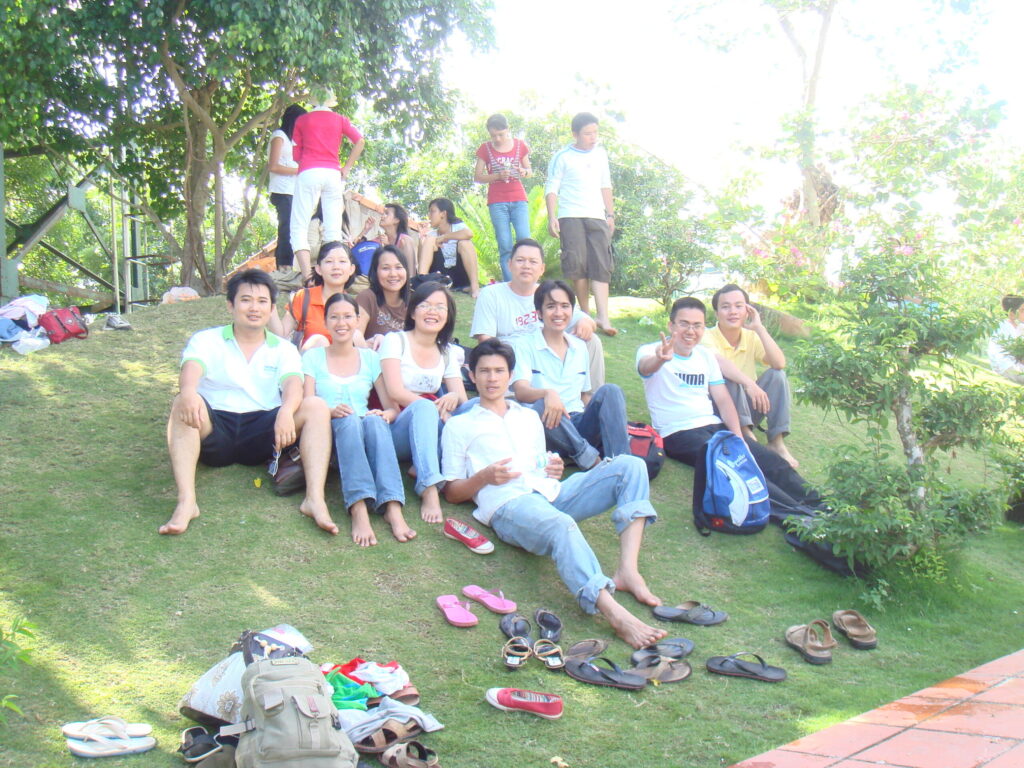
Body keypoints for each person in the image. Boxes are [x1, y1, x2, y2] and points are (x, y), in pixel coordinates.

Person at [442, 339, 667, 650]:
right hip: (509, 505)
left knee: (631, 466)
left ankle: (627, 570)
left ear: (510, 375)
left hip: (549, 492)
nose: (492, 378)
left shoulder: (527, 417)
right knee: (561, 525)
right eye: (484, 371)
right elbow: (452, 493)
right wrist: (484, 477)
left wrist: (553, 467)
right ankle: (615, 613)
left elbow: (539, 465)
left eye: (499, 371)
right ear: (472, 375)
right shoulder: (459, 426)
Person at [160, 269, 332, 535]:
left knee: (316, 406)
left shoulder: (283, 348)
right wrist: (188, 392)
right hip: (214, 425)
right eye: (246, 300)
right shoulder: (207, 339)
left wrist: (287, 411)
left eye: (262, 301)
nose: (254, 308)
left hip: (263, 430)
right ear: (231, 305)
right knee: (183, 400)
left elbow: (292, 384)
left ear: (271, 309)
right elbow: (192, 368)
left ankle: (315, 499)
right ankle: (187, 502)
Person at [636, 297, 819, 511]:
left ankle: (822, 506)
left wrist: (739, 438)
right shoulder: (651, 351)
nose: (690, 331)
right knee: (735, 466)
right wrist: (660, 359)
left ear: (703, 328)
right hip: (677, 432)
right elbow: (645, 368)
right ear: (671, 325)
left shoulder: (705, 356)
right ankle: (799, 517)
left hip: (713, 425)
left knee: (770, 461)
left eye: (697, 325)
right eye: (684, 324)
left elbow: (723, 400)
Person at [302, 293, 415, 545]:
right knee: (350, 420)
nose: (341, 323)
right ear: (326, 321)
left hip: (366, 432)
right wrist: (330, 411)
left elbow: (392, 409)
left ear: (356, 320)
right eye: (334, 317)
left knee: (374, 421)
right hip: (329, 436)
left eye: (347, 317)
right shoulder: (313, 358)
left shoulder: (371, 359)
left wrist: (384, 414)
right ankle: (359, 507)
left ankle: (392, 506)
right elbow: (308, 403)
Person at [511, 280, 629, 469]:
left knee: (611, 390)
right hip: (549, 429)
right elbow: (521, 391)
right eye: (551, 306)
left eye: (565, 306)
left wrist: (603, 418)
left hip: (577, 423)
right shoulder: (524, 345)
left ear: (572, 311)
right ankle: (591, 460)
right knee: (540, 406)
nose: (559, 313)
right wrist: (547, 393)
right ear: (539, 313)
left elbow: (584, 395)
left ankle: (623, 463)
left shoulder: (580, 347)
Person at [379, 282, 467, 523]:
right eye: (425, 305)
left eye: (440, 307)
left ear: (448, 315)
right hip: (396, 427)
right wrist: (435, 407)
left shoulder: (446, 351)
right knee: (424, 407)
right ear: (413, 312)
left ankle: (439, 465)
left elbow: (462, 399)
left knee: (473, 408)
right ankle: (429, 487)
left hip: (431, 422)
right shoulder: (395, 341)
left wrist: (452, 396)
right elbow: (395, 391)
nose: (432, 312)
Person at [471, 238, 606, 389]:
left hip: (546, 354)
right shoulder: (491, 294)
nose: (526, 266)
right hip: (512, 356)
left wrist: (585, 322)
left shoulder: (549, 293)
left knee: (592, 341)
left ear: (542, 269)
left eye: (533, 262)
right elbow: (485, 340)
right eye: (520, 260)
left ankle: (593, 396)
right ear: (509, 264)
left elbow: (585, 320)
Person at [703, 284, 798, 468]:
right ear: (716, 313)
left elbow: (779, 363)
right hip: (720, 410)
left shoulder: (751, 336)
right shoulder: (706, 335)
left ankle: (776, 442)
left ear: (747, 310)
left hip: (748, 407)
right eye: (725, 307)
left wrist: (760, 329)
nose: (733, 311)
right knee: (727, 376)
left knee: (777, 375)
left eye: (739, 306)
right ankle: (746, 437)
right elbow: (720, 362)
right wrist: (749, 383)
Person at [544, 112, 617, 336]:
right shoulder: (562, 157)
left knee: (601, 265)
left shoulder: (600, 155)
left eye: (595, 132)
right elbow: (552, 188)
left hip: (597, 216)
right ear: (575, 134)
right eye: (587, 133)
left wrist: (610, 214)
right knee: (577, 265)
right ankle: (585, 315)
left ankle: (604, 317)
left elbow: (605, 185)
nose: (593, 137)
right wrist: (551, 216)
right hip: (570, 216)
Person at [290, 86, 365, 282]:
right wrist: (346, 168)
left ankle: (308, 278)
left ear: (312, 101)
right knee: (333, 230)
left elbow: (296, 155)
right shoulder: (340, 119)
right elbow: (360, 141)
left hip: (308, 171)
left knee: (298, 226)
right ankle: (332, 279)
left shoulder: (302, 120)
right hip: (333, 174)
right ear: (332, 101)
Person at [474, 114, 532, 282]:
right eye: (493, 136)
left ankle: (527, 281)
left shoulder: (520, 145)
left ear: (507, 129)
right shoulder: (485, 149)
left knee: (524, 239)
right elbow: (478, 177)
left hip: (518, 198)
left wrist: (523, 171)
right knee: (505, 244)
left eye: (501, 134)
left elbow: (529, 171)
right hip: (497, 201)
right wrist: (497, 176)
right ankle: (510, 283)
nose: (497, 139)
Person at [270, 241, 358, 351]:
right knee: (319, 341)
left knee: (357, 336)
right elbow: (281, 335)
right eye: (329, 261)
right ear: (318, 269)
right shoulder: (304, 297)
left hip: (342, 360)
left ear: (351, 269)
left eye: (342, 261)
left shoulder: (352, 305)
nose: (336, 267)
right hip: (310, 359)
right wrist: (268, 303)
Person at [267, 105, 305, 274]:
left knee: (294, 228)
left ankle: (290, 265)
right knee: (286, 228)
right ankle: (284, 266)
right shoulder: (279, 136)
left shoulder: (293, 141)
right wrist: (299, 170)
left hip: (294, 191)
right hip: (282, 190)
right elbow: (273, 166)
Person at [417, 198, 481, 297]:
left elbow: (469, 234)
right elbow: (420, 260)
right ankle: (421, 285)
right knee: (429, 240)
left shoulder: (458, 227)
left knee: (465, 243)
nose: (429, 215)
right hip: (440, 277)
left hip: (459, 275)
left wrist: (444, 237)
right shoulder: (431, 235)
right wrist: (422, 239)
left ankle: (474, 287)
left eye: (432, 211)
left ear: (443, 214)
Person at [355, 245, 410, 350]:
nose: (393, 274)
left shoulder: (414, 302)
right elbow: (355, 338)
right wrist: (366, 345)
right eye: (386, 268)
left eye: (398, 267)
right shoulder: (366, 298)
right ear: (375, 272)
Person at [988, 295, 1024, 385]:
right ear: (1011, 313)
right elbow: (1017, 355)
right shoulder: (1002, 327)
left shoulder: (1020, 327)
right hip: (1007, 366)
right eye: (1022, 310)